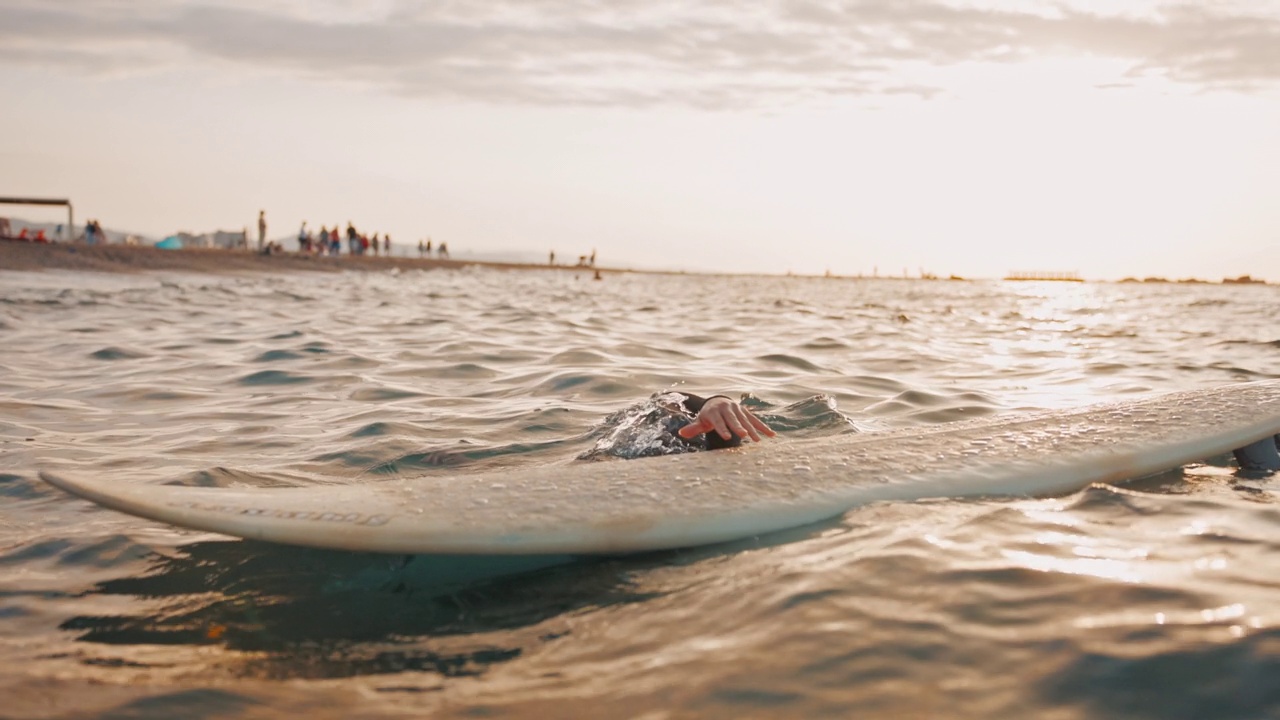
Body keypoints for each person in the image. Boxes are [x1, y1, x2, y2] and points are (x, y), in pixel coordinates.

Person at [580, 391, 775, 461]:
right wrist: (717, 401)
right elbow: (667, 398)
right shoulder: (670, 421)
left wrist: (718, 402)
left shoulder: (721, 435)